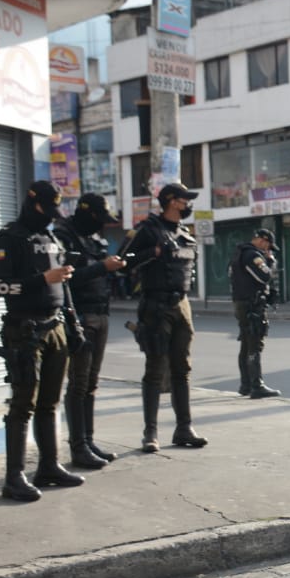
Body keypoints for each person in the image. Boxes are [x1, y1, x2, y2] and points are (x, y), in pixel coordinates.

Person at [0, 181, 86, 502]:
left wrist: (73, 324)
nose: (52, 217)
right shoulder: (8, 239)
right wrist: (42, 279)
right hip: (24, 330)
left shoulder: (51, 238)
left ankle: (49, 466)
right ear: (35, 205)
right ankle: (14, 477)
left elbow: (64, 286)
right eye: (49, 210)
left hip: (54, 326)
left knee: (50, 402)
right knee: (23, 403)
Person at [120, 182, 208, 452]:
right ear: (171, 201)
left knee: (182, 369)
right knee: (155, 369)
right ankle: (151, 432)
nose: (188, 205)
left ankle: (184, 427)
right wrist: (152, 253)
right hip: (156, 305)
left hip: (181, 305)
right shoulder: (148, 230)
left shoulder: (184, 232)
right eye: (184, 200)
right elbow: (124, 260)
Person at [52, 193, 126, 469]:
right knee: (79, 383)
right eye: (99, 220)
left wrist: (114, 268)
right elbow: (67, 280)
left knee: (91, 384)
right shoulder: (63, 236)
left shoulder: (94, 239)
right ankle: (78, 447)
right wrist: (101, 267)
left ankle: (89, 440)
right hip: (79, 315)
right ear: (88, 214)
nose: (102, 227)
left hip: (100, 312)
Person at [230, 229, 282, 399]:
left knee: (246, 344)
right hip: (252, 304)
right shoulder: (252, 255)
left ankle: (245, 385)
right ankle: (256, 385)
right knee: (254, 344)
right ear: (262, 241)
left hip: (241, 303)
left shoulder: (238, 253)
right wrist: (270, 261)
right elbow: (264, 275)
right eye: (268, 246)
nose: (268, 250)